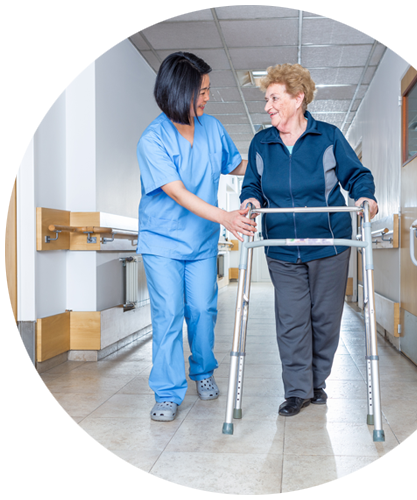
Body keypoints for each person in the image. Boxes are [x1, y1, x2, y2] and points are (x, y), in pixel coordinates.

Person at [240, 63, 378, 417]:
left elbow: (356, 175)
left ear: (298, 98)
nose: (268, 106)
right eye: (267, 99)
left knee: (325, 319)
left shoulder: (328, 137)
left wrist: (365, 197)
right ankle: (298, 391)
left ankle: (318, 380)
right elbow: (252, 185)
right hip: (282, 246)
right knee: (291, 319)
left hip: (329, 244)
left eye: (274, 98)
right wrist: (251, 201)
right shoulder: (262, 142)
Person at [137, 52, 257, 422]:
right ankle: (168, 392)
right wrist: (226, 216)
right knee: (169, 313)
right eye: (201, 91)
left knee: (204, 310)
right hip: (162, 242)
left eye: (208, 90)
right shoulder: (153, 140)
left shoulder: (213, 128)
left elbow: (236, 164)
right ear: (178, 91)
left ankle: (203, 371)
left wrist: (275, 162)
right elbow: (177, 192)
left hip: (201, 242)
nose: (207, 97)